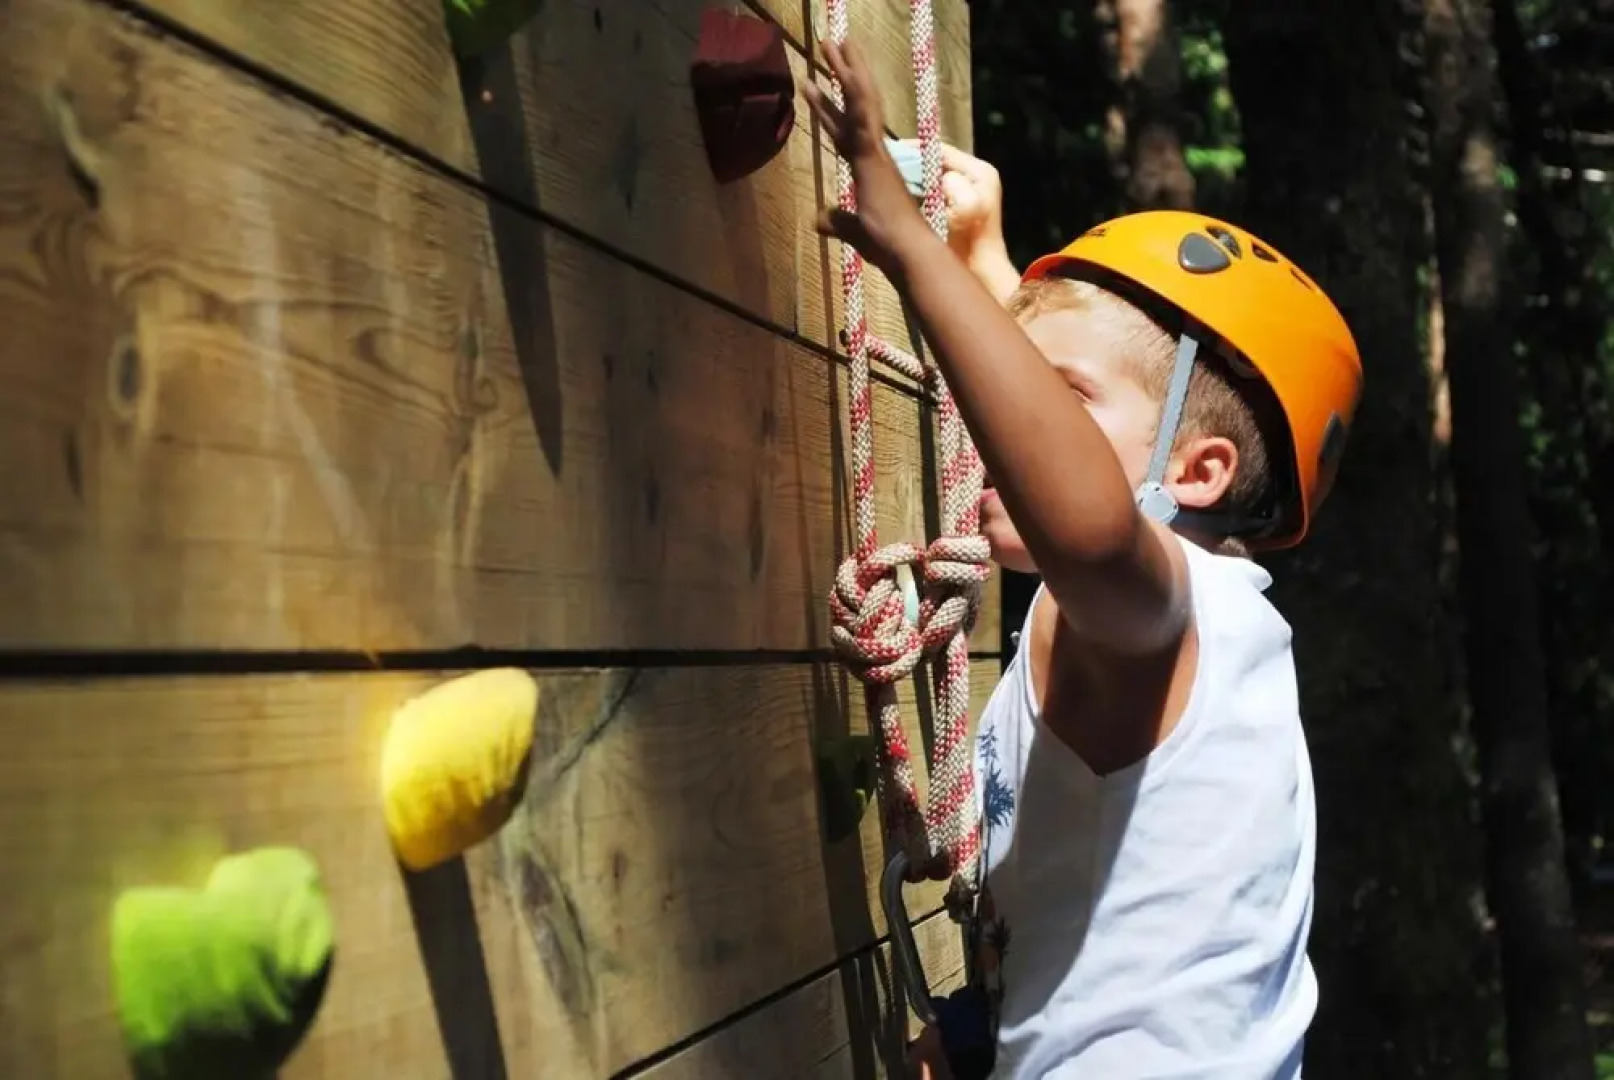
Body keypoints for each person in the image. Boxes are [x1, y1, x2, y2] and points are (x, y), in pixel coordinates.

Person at [804, 37, 1363, 1080]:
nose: (999, 426)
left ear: (1194, 474)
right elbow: (1079, 432)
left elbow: (1093, 517)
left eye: (1061, 404)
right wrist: (982, 256)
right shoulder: (1123, 618)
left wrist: (917, 260)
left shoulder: (1181, 613)